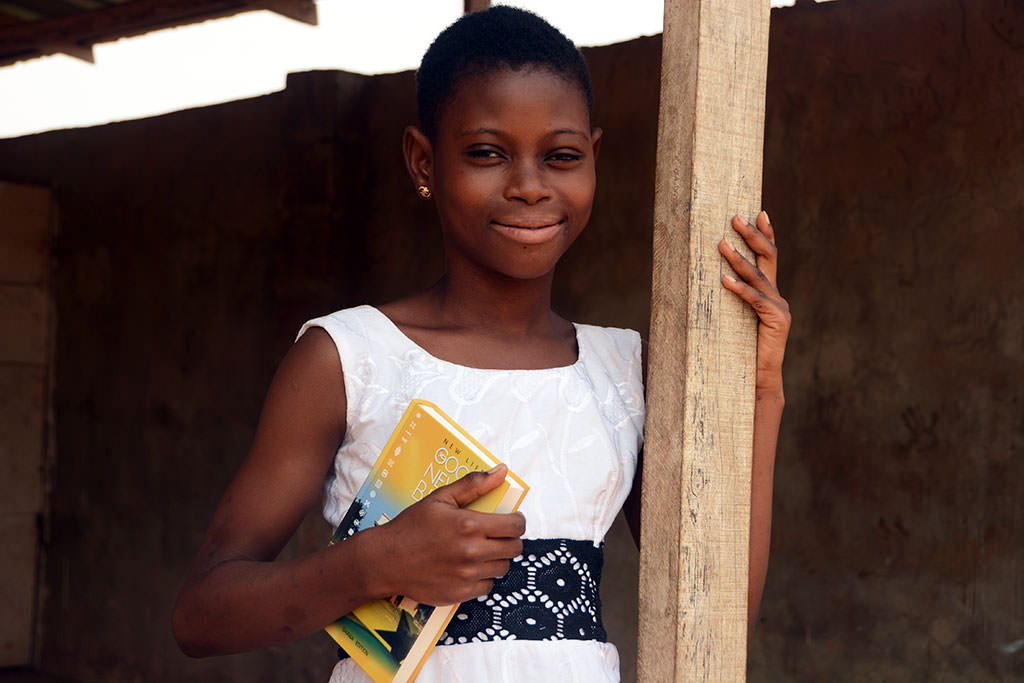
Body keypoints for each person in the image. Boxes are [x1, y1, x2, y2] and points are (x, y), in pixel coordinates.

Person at [172, 6, 790, 682]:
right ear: (423, 160)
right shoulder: (348, 358)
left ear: (593, 159)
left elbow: (716, 609)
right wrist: (369, 564)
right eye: (488, 153)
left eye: (561, 156)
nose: (529, 186)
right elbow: (201, 615)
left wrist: (760, 394)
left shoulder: (627, 370)